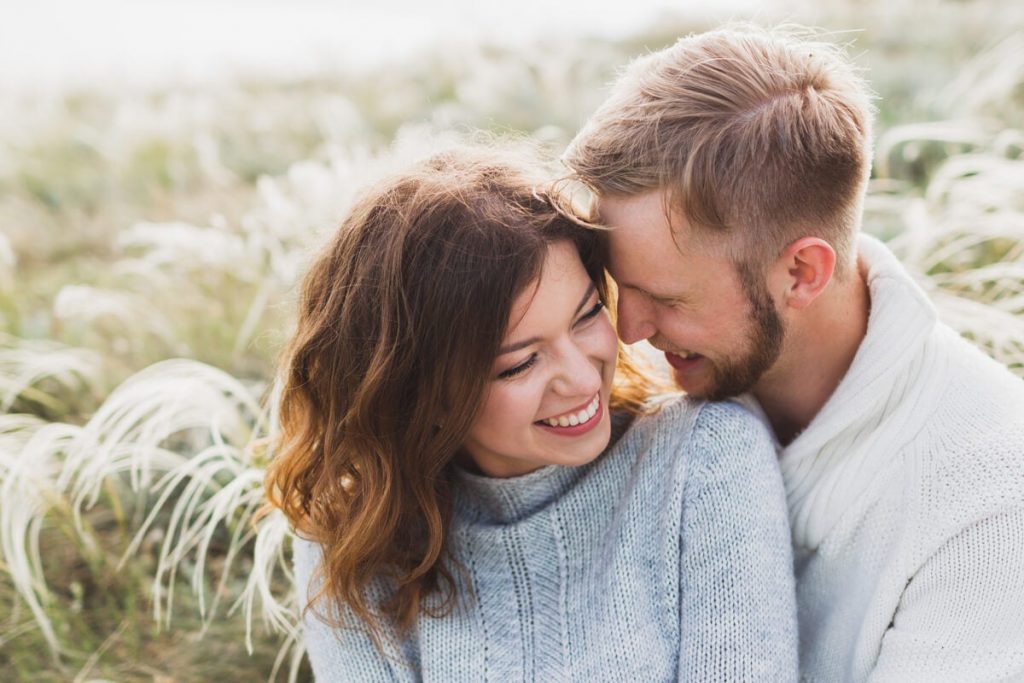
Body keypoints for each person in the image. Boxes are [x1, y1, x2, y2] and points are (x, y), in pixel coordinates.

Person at [563, 23, 1024, 683]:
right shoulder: (630, 392)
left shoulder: (993, 510)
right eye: (616, 288)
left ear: (802, 273)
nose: (629, 331)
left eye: (666, 296)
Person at [264, 146, 798, 681]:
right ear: (416, 393)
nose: (584, 379)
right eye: (520, 364)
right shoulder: (356, 539)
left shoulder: (706, 455)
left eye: (588, 315)